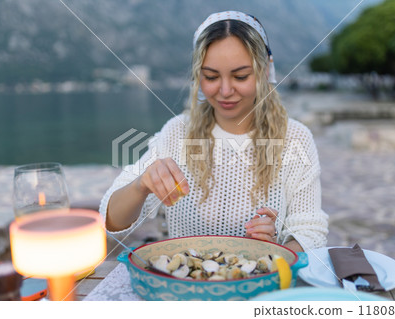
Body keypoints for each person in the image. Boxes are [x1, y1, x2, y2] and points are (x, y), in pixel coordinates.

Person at [99, 11, 328, 252]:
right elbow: (111, 221)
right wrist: (141, 185)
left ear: (264, 71)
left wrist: (275, 250)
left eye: (240, 76)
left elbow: (309, 231)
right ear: (199, 76)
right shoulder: (177, 133)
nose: (225, 90)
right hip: (188, 283)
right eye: (211, 77)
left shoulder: (295, 138)